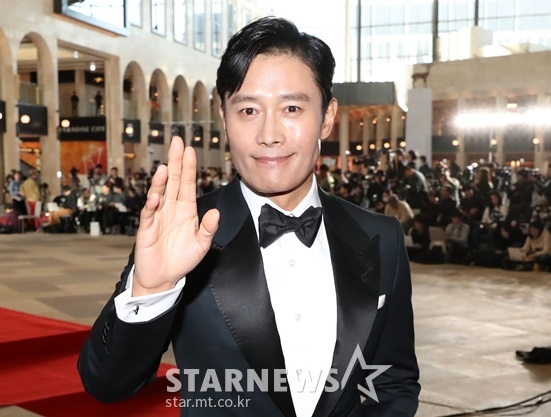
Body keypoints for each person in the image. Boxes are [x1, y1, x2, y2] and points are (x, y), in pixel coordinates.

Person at [78, 17, 420, 417]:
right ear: (224, 119)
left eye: (291, 108)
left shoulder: (381, 236)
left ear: (327, 117)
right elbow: (107, 385)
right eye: (249, 110)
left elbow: (393, 382)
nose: (269, 134)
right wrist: (152, 290)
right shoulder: (184, 230)